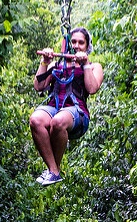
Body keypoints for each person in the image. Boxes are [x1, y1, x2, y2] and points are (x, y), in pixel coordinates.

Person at [29, 27, 104, 186]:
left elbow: (92, 89)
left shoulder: (94, 66)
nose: (76, 46)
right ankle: (53, 170)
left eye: (81, 43)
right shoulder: (57, 64)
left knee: (57, 122)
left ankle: (54, 170)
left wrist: (85, 64)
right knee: (35, 119)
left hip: (77, 112)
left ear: (87, 46)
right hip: (54, 106)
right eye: (74, 42)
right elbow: (39, 86)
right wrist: (45, 62)